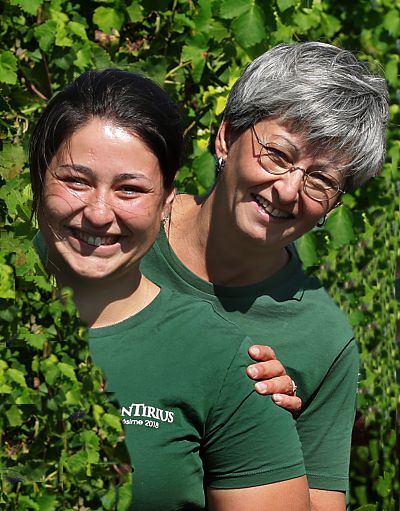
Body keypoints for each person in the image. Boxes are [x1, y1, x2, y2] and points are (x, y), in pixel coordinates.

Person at [30, 69, 311, 510]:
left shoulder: (221, 362)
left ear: (165, 203)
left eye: (130, 189)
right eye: (76, 180)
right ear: (37, 181)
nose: (99, 213)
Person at [138, 42, 389, 510]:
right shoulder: (121, 232)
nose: (289, 189)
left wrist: (265, 429)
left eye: (322, 180)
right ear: (225, 136)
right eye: (277, 153)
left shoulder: (321, 337)